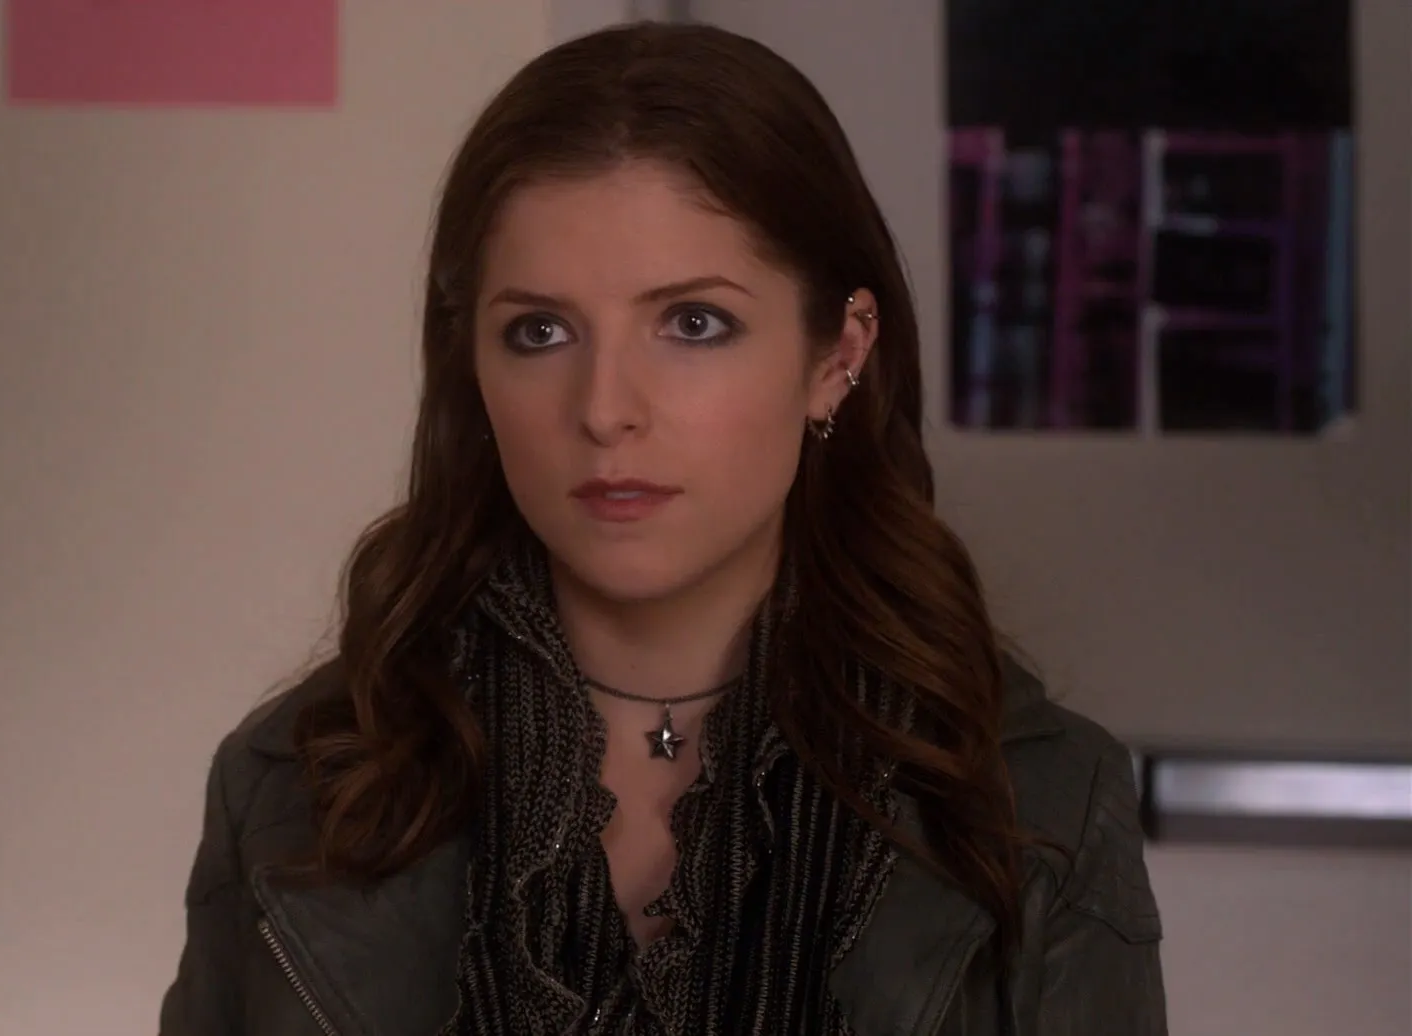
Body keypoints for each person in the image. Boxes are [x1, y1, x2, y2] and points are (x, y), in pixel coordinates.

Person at [158, 21, 1166, 1036]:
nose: (605, 410)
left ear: (837, 357)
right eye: (540, 331)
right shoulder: (293, 790)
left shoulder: (1038, 803)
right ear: (471, 365)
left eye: (693, 323)